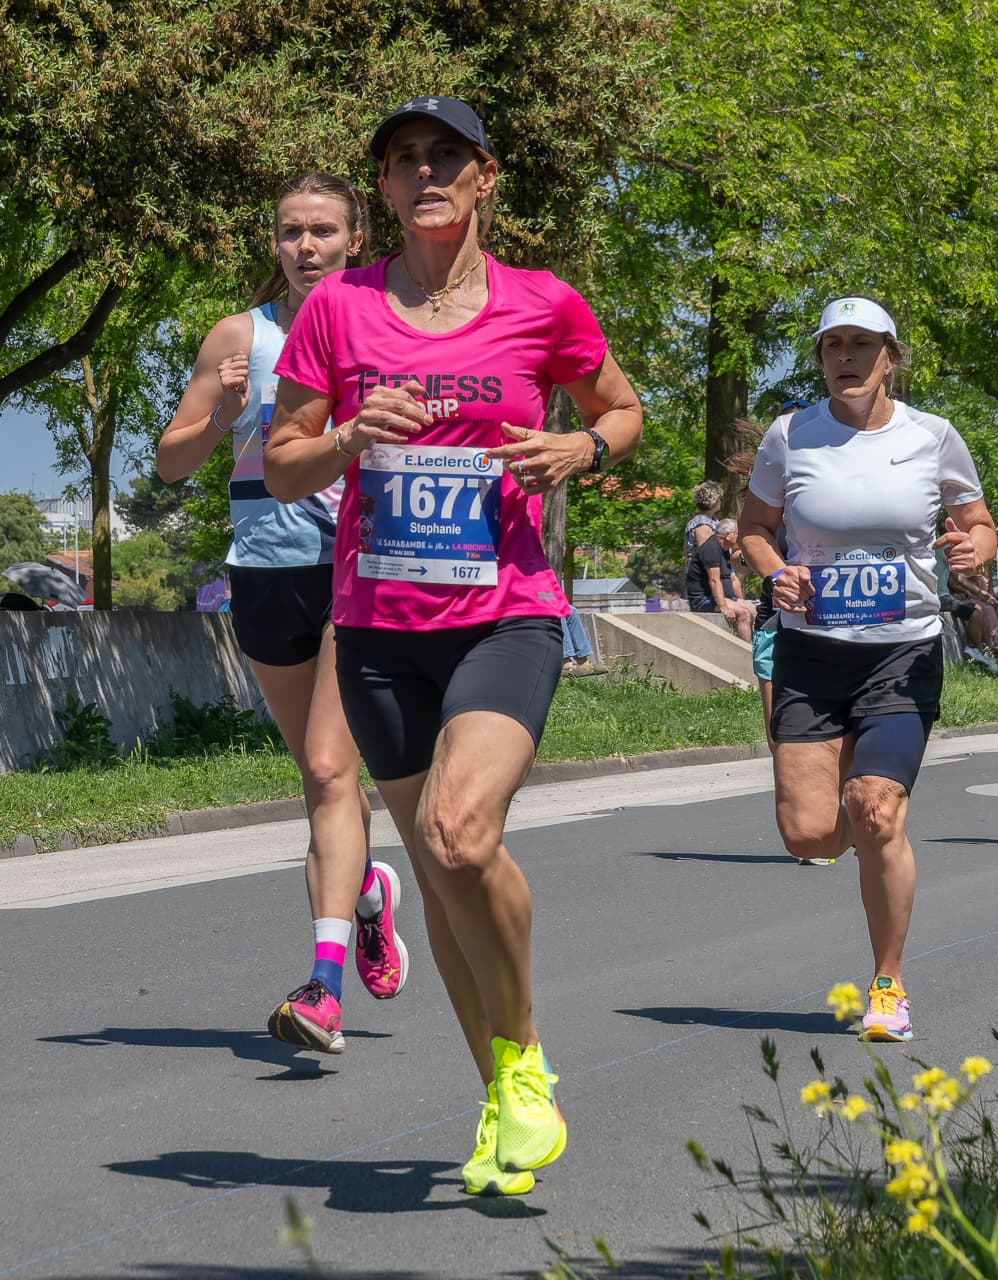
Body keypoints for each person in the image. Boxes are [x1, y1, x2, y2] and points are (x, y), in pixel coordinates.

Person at [263, 97, 646, 1196]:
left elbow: (620, 409)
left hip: (507, 609)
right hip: (379, 627)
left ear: (486, 176)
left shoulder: (542, 303)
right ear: (383, 190)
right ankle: (497, 1100)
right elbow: (285, 461)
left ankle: (523, 1060)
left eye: (445, 156)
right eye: (401, 161)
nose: (423, 172)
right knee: (437, 871)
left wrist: (579, 442)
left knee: (458, 830)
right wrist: (344, 435)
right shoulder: (340, 308)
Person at [157, 172, 409, 1058]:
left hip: (361, 567)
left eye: (324, 231)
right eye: (291, 231)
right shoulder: (239, 337)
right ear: (273, 243)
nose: (306, 246)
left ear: (355, 237)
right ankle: (368, 896)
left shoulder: (387, 319)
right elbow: (171, 465)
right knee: (319, 782)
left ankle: (324, 986)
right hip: (265, 571)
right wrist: (223, 410)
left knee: (331, 765)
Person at [737, 295, 998, 1044]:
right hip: (810, 652)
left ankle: (889, 984)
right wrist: (775, 570)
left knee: (877, 807)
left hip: (901, 650)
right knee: (811, 835)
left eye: (862, 344)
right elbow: (755, 528)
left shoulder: (934, 437)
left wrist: (975, 547)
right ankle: (848, 813)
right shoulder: (791, 437)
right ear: (820, 358)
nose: (846, 358)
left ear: (891, 356)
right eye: (832, 346)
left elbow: (977, 522)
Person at [686, 515, 752, 639]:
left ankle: (759, 651)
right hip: (703, 599)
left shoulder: (726, 550)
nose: (740, 537)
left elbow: (732, 579)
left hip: (725, 597)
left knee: (756, 611)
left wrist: (741, 601)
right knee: (744, 614)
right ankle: (745, 653)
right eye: (738, 533)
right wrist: (723, 608)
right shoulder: (711, 548)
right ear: (727, 535)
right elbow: (714, 580)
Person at [685, 480, 723, 555]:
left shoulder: (710, 520)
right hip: (704, 566)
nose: (721, 502)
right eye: (720, 499)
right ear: (714, 500)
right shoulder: (702, 523)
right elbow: (705, 553)